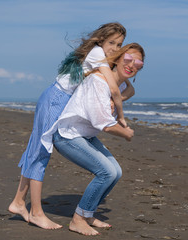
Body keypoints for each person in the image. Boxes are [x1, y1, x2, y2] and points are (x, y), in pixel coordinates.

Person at [8, 22, 134, 230]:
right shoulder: (96, 53)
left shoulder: (98, 56)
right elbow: (113, 86)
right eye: (111, 42)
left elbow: (118, 87)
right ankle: (37, 213)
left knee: (36, 150)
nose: (115, 48)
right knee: (40, 153)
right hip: (56, 100)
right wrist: (120, 114)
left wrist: (126, 88)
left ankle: (19, 202)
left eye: (119, 44)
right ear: (101, 39)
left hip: (58, 100)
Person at [41, 43, 145, 236]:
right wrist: (125, 133)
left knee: (116, 172)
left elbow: (129, 90)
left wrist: (117, 99)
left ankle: (87, 214)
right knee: (105, 172)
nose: (132, 65)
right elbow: (102, 123)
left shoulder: (120, 85)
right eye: (128, 59)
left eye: (138, 63)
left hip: (85, 136)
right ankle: (77, 220)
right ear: (118, 58)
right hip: (68, 135)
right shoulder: (98, 80)